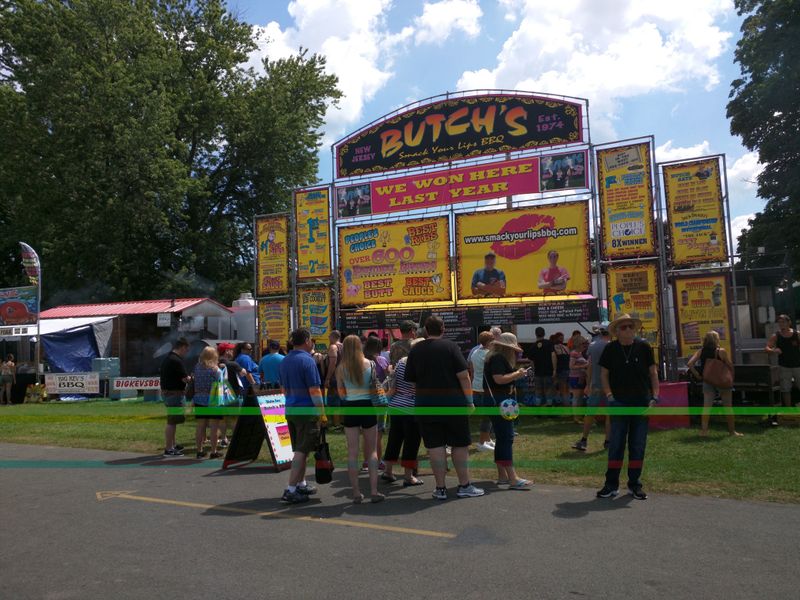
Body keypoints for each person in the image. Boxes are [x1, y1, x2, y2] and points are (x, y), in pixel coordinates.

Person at [405, 315, 485, 500]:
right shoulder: (451, 347)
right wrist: (469, 400)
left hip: (425, 405)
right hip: (452, 403)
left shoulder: (416, 350)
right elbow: (464, 376)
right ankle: (464, 485)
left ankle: (440, 488)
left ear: (425, 329)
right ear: (443, 329)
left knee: (435, 446)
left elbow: (412, 382)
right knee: (459, 444)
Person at [596, 314, 659, 501]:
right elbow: (604, 375)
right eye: (623, 327)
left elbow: (653, 373)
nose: (628, 330)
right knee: (616, 444)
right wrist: (609, 395)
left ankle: (635, 484)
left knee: (638, 445)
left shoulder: (644, 347)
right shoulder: (610, 349)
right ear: (616, 331)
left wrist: (655, 396)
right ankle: (611, 485)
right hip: (619, 403)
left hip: (641, 402)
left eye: (631, 326)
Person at [279, 328, 325, 504]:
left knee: (300, 449)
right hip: (306, 411)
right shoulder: (307, 361)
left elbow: (283, 388)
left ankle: (301, 483)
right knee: (301, 451)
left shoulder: (284, 361)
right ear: (307, 340)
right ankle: (290, 489)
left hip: (291, 409)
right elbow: (315, 391)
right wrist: (322, 413)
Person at [336, 335, 384, 503]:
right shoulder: (370, 364)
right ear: (359, 346)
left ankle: (356, 492)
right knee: (371, 452)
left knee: (352, 452)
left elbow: (341, 394)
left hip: (350, 408)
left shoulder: (341, 368)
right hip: (367, 407)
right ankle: (374, 490)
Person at [484, 333, 533, 490]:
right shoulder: (498, 358)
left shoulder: (493, 357)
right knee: (506, 438)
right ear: (507, 348)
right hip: (500, 403)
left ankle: (503, 476)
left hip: (496, 402)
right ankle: (513, 478)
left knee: (502, 438)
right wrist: (518, 374)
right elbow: (499, 379)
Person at [382, 340, 424, 487]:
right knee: (411, 442)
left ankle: (388, 471)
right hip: (412, 407)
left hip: (396, 406)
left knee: (394, 439)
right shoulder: (420, 365)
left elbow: (395, 384)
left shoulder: (401, 362)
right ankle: (408, 476)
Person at [688, 331, 743, 437]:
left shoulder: (700, 351)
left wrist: (697, 375)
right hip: (722, 381)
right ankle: (732, 431)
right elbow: (730, 365)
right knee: (728, 407)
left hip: (708, 381)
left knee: (706, 407)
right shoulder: (721, 351)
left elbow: (690, 363)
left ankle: (704, 431)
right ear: (716, 340)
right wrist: (731, 377)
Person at [572, 324, 612, 452]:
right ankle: (608, 441)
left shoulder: (593, 346)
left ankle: (583, 440)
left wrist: (588, 385)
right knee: (610, 415)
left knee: (590, 413)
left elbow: (589, 367)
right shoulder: (612, 346)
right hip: (610, 386)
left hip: (595, 384)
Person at [765, 314, 800, 425]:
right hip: (784, 366)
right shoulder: (776, 335)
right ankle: (789, 412)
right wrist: (773, 351)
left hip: (798, 366)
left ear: (789, 322)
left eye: (783, 322)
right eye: (779, 322)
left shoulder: (797, 334)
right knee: (786, 389)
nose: (781, 324)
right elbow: (767, 348)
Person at [217, 343, 254, 448]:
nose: (232, 352)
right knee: (235, 418)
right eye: (231, 350)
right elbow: (244, 373)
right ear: (226, 351)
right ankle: (236, 439)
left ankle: (223, 439)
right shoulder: (232, 364)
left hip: (219, 395)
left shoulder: (215, 363)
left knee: (222, 419)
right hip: (233, 394)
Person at [159, 338, 191, 457]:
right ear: (182, 347)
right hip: (174, 394)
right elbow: (185, 378)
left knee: (173, 421)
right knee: (172, 422)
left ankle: (172, 444)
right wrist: (191, 379)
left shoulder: (168, 358)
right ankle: (169, 449)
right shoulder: (177, 361)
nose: (186, 352)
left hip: (168, 393)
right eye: (186, 350)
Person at [192, 347, 224, 459]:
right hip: (213, 400)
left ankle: (199, 451)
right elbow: (220, 386)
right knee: (214, 427)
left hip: (199, 398)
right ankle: (213, 451)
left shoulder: (197, 368)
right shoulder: (216, 370)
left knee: (200, 426)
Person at [363, 336, 388, 469]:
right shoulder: (380, 360)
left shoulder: (361, 360)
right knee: (378, 432)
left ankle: (366, 461)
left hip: (364, 399)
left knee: (366, 432)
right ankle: (378, 461)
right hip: (378, 397)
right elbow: (387, 374)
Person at [469, 331, 496, 452]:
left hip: (476, 386)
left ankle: (487, 439)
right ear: (489, 342)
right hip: (485, 388)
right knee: (487, 416)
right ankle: (481, 443)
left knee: (487, 416)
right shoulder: (489, 354)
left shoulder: (475, 352)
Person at [527, 327, 556, 407]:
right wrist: (554, 369)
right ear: (544, 333)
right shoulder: (549, 343)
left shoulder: (532, 346)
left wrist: (534, 370)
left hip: (538, 373)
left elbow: (531, 361)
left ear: (535, 334)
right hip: (548, 371)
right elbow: (553, 355)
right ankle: (549, 410)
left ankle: (538, 411)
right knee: (549, 390)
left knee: (538, 391)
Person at [323, 330, 343, 428]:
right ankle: (342, 421)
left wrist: (327, 378)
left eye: (329, 336)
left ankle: (336, 423)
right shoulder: (344, 346)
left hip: (335, 377)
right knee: (342, 399)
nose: (328, 339)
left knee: (334, 401)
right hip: (344, 377)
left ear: (333, 337)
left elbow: (332, 364)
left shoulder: (333, 347)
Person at [568, 337, 589, 415]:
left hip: (580, 377)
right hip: (575, 377)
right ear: (579, 344)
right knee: (576, 397)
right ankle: (576, 416)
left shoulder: (579, 353)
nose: (585, 345)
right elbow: (571, 366)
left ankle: (578, 415)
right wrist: (585, 365)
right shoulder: (574, 353)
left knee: (579, 397)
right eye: (583, 344)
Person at [552, 333, 571, 409]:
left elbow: (554, 359)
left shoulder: (554, 348)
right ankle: (568, 405)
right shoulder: (566, 348)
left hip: (560, 370)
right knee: (567, 389)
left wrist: (554, 370)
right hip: (567, 370)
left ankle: (566, 407)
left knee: (562, 389)